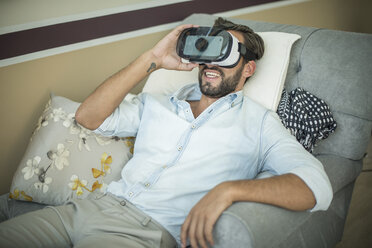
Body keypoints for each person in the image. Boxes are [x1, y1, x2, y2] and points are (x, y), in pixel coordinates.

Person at [0, 18, 332, 248]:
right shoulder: (157, 104)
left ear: (248, 68)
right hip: (84, 208)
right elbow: (88, 117)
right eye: (209, 49)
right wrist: (153, 58)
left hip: (140, 234)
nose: (212, 63)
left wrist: (229, 190)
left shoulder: (260, 124)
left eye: (227, 53)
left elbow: (316, 187)